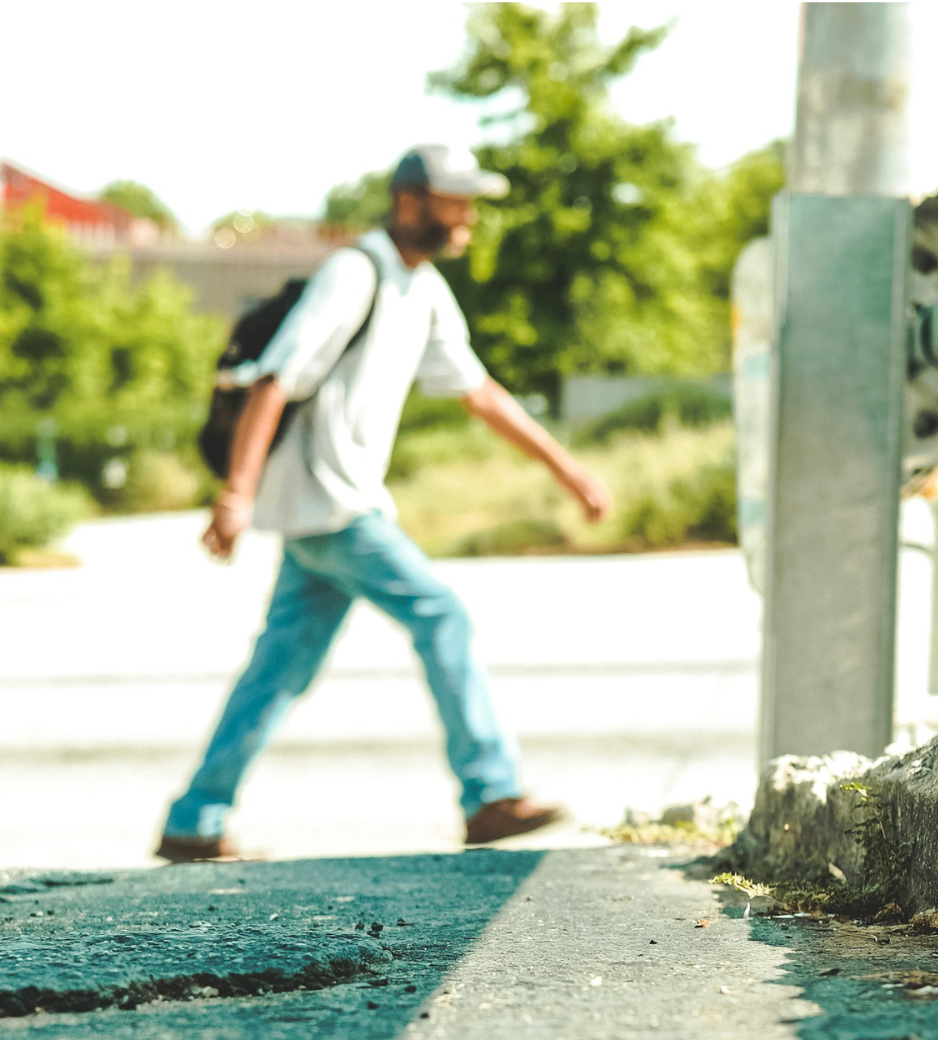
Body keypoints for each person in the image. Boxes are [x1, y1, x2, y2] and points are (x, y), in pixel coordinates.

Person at [157, 145, 613, 862]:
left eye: (470, 202)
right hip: (334, 504)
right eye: (454, 201)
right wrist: (235, 495)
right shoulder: (355, 272)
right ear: (410, 202)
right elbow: (275, 379)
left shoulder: (422, 286)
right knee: (441, 613)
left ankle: (194, 820)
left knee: (278, 667)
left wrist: (570, 470)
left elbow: (478, 391)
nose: (467, 216)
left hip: (328, 508)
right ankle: (490, 793)